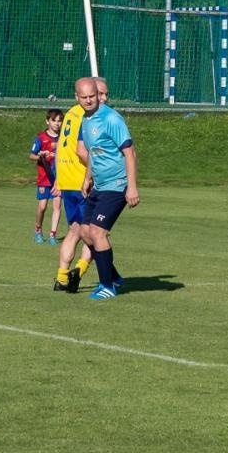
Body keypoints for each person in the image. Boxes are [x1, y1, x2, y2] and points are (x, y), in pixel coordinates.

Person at [75, 75, 139, 301]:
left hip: (117, 185)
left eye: (93, 96)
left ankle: (107, 286)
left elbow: (129, 153)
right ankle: (114, 277)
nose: (89, 100)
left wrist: (131, 187)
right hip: (99, 186)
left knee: (98, 232)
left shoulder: (111, 119)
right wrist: (87, 177)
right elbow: (94, 152)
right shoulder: (86, 119)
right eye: (84, 97)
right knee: (85, 232)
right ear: (77, 98)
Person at [52, 80, 96, 293]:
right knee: (97, 233)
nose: (100, 99)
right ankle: (79, 270)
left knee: (74, 230)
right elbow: (83, 151)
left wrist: (58, 178)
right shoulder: (89, 117)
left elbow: (60, 146)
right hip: (82, 181)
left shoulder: (69, 114)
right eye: (100, 94)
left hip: (67, 179)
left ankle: (61, 278)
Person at [30, 108, 64, 244]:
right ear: (47, 121)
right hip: (44, 178)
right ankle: (38, 230)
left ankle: (52, 235)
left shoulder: (64, 138)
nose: (57, 123)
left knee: (57, 206)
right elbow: (31, 155)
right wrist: (40, 156)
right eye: (54, 120)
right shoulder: (41, 138)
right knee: (42, 207)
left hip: (59, 179)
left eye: (60, 121)